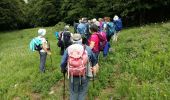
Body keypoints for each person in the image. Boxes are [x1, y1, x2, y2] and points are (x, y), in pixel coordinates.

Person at [60, 34, 97, 100]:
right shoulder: (87, 48)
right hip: (85, 74)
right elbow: (94, 61)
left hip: (72, 75)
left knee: (73, 92)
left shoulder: (68, 49)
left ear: (72, 40)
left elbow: (63, 63)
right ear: (81, 40)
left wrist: (63, 70)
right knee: (82, 92)